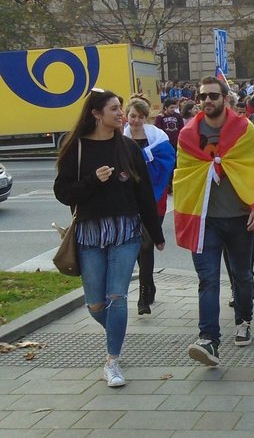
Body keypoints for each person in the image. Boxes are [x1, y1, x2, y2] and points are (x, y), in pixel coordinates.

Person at [53, 89, 165, 388]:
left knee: (117, 296)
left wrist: (156, 234)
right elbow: (63, 193)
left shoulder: (128, 147)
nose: (120, 113)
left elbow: (144, 195)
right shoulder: (74, 146)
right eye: (114, 109)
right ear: (96, 114)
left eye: (120, 108)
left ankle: (112, 360)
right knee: (95, 304)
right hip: (89, 234)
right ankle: (116, 331)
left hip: (126, 232)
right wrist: (93, 181)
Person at [173, 76, 254, 367]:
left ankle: (244, 319)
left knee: (242, 276)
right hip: (205, 220)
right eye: (203, 96)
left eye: (213, 95)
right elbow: (183, 175)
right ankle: (208, 339)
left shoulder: (244, 130)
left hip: (239, 219)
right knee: (207, 279)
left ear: (225, 99)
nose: (208, 100)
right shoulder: (187, 135)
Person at [123, 98, 176, 315]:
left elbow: (168, 160)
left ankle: (143, 295)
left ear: (146, 118)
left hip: (155, 198)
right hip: (129, 199)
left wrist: (146, 157)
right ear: (127, 116)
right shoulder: (119, 138)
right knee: (139, 244)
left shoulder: (157, 137)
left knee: (146, 243)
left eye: (140, 117)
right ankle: (149, 283)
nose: (136, 120)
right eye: (132, 116)